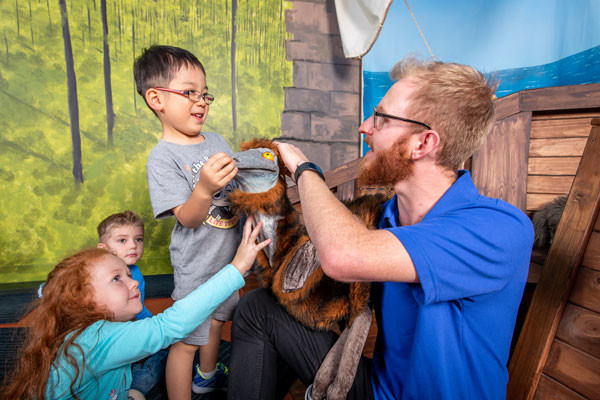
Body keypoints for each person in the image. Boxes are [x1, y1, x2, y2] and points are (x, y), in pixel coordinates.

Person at [227, 58, 534, 400]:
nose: (364, 126)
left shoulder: (498, 229)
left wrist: (304, 167)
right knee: (258, 308)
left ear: (423, 143)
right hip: (376, 392)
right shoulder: (383, 217)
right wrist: (266, 198)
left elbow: (343, 255)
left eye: (382, 118)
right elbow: (310, 265)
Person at [1, 217, 269, 400]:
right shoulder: (98, 338)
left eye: (128, 275)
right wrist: (237, 268)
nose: (133, 284)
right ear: (83, 300)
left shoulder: (89, 328)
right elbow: (170, 325)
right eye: (117, 279)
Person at [134, 44, 242, 398]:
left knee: (216, 322)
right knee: (186, 341)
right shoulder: (162, 158)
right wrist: (206, 187)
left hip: (228, 258)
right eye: (188, 93)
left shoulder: (216, 140)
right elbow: (189, 218)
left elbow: (237, 189)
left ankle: (207, 376)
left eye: (204, 94)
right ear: (156, 99)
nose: (201, 102)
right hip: (196, 265)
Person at [96, 210, 165, 396]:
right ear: (103, 248)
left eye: (139, 239)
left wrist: (156, 327)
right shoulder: (95, 272)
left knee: (164, 352)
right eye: (122, 240)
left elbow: (138, 309)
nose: (133, 246)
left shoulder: (136, 272)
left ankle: (136, 388)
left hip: (125, 333)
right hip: (100, 340)